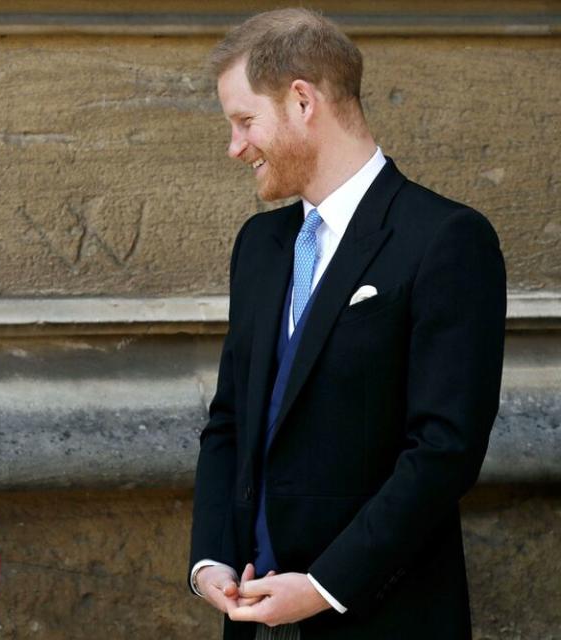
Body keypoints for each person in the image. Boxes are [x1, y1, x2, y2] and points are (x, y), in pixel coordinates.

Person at [188, 9, 505, 640]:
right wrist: (210, 560)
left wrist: (323, 587)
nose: (235, 147)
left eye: (245, 121)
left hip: (384, 619)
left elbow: (445, 451)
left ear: (302, 100)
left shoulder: (445, 240)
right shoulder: (260, 244)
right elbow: (229, 420)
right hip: (252, 619)